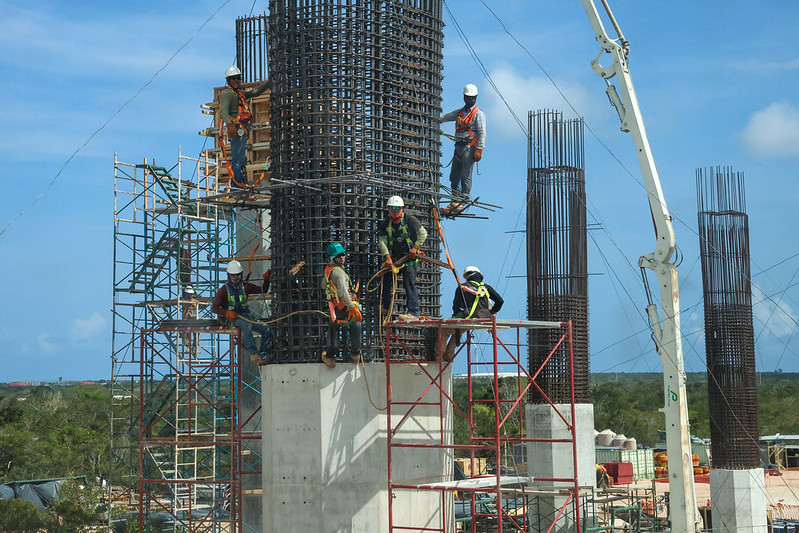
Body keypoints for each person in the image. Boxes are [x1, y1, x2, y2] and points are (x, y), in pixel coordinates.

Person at [219, 66, 270, 188]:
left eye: (238, 78)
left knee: (241, 159)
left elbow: (254, 92)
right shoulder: (226, 93)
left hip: (242, 130)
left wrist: (270, 82)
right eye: (233, 79)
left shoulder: (238, 94)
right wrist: (230, 125)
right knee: (238, 160)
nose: (236, 81)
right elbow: (223, 111)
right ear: (228, 80)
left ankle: (237, 185)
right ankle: (237, 187)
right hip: (237, 130)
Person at [212, 260, 272, 364]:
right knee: (246, 325)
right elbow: (214, 308)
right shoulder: (223, 290)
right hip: (232, 319)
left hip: (245, 316)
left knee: (266, 329)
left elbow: (263, 290)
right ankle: (253, 353)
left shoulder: (246, 287)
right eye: (233, 275)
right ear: (229, 276)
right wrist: (226, 313)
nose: (236, 278)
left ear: (241, 274)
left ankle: (263, 354)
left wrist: (266, 280)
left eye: (238, 275)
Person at [377, 196, 428, 321]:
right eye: (393, 208)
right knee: (386, 277)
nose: (395, 210)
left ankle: (413, 312)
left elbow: (423, 234)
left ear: (402, 209)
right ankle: (387, 306)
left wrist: (415, 248)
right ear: (388, 209)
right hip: (394, 259)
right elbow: (382, 241)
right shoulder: (385, 224)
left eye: (398, 208)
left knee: (409, 282)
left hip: (408, 258)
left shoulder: (410, 220)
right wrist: (387, 257)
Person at [439, 83, 486, 215]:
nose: (470, 100)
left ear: (475, 98)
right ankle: (455, 200)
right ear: (464, 97)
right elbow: (445, 117)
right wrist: (434, 118)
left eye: (473, 98)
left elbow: (482, 133)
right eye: (468, 98)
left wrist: (479, 149)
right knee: (454, 176)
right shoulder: (460, 112)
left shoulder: (478, 114)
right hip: (458, 147)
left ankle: (463, 201)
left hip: (469, 147)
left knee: (465, 175)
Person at [440, 265, 503, 362]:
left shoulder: (462, 287)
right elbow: (500, 301)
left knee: (444, 331)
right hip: (484, 319)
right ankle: (448, 356)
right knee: (458, 331)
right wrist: (492, 311)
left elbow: (456, 307)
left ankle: (439, 358)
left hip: (468, 318)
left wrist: (457, 315)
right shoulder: (486, 288)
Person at [321, 242, 363, 368]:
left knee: (334, 327)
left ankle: (330, 357)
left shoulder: (328, 270)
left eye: (343, 255)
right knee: (356, 324)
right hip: (345, 304)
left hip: (336, 305)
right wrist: (352, 307)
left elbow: (323, 285)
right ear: (332, 257)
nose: (342, 257)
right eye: (339, 256)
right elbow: (344, 294)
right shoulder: (338, 273)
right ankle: (355, 354)